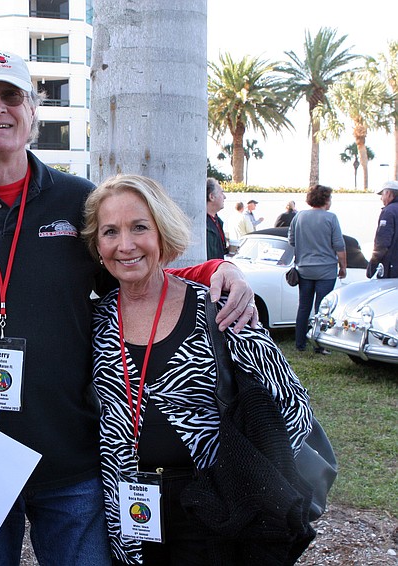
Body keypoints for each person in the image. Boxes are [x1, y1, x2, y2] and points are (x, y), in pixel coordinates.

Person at [0, 48, 257, 566]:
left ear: (33, 111)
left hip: (72, 456)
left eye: (11, 96)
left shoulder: (78, 200)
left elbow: (133, 269)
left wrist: (214, 270)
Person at [83, 174, 313, 565]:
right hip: (130, 511)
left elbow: (293, 408)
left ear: (161, 232)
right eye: (110, 232)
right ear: (97, 244)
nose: (125, 245)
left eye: (140, 227)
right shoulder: (95, 321)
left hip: (215, 508)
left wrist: (242, 482)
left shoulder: (218, 307)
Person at [288, 184, 347, 353]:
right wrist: (343, 267)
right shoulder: (330, 218)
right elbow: (339, 245)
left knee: (304, 306)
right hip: (326, 270)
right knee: (322, 308)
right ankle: (319, 345)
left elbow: (291, 241)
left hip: (304, 268)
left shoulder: (299, 216)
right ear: (326, 199)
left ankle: (300, 344)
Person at [367, 180, 398, 279]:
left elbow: (382, 243)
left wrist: (372, 267)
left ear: (388, 193)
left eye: (382, 194)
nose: (381, 198)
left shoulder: (389, 212)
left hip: (392, 269)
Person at [205, 178, 228, 259]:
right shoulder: (201, 224)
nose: (224, 197)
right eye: (222, 193)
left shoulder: (218, 221)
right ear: (211, 197)